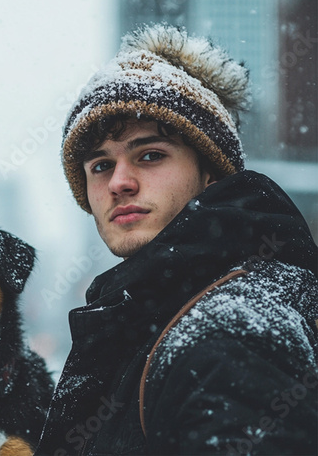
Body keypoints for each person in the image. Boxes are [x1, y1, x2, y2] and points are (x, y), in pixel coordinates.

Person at [34, 23, 318, 455]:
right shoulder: (153, 314)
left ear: (210, 173)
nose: (120, 183)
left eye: (150, 155)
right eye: (100, 166)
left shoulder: (228, 332)